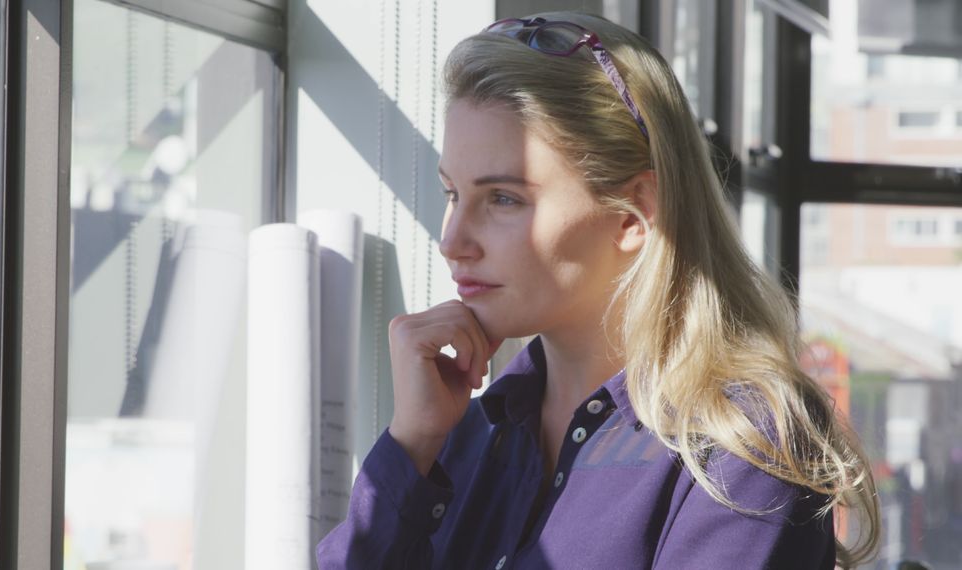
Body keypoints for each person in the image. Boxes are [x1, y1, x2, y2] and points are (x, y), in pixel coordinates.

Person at [317, 11, 880, 569]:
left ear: (634, 215)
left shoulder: (743, 445)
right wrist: (412, 442)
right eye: (450, 194)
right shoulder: (467, 432)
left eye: (503, 199)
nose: (452, 240)